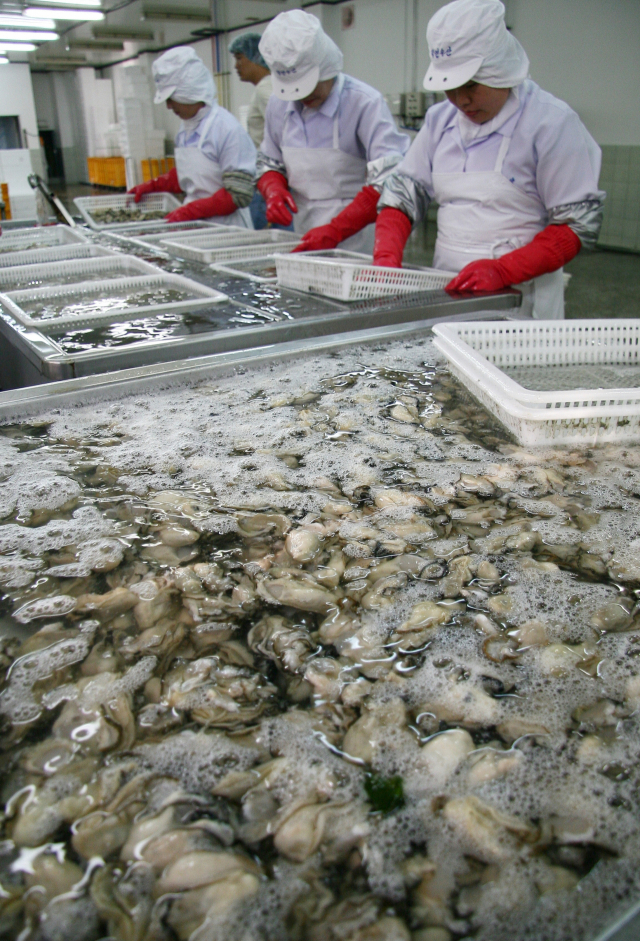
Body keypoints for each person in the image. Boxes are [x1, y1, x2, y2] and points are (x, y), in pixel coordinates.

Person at [373, 0, 605, 319]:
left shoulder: (550, 122)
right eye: (450, 88)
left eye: (470, 85)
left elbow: (575, 225)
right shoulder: (440, 120)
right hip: (449, 291)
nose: (461, 100)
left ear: (500, 70)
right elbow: (403, 194)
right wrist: (386, 258)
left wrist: (504, 269)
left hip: (520, 300)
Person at [255, 9, 410, 254]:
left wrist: (335, 230)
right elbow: (269, 162)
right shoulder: (279, 104)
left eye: (309, 86)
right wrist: (272, 189)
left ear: (327, 66)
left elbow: (390, 179)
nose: (303, 96)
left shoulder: (363, 103)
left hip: (357, 238)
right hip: (303, 231)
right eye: (294, 89)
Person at [128, 46, 256, 227]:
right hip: (196, 227)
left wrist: (189, 211)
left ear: (188, 92)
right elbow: (189, 175)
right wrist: (153, 186)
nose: (169, 106)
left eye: (171, 98)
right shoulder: (185, 129)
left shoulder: (226, 129)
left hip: (227, 228)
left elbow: (238, 194)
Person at [228, 31, 290, 230]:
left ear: (257, 57)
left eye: (240, 58)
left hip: (270, 179)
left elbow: (285, 134)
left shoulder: (265, 89)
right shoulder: (270, 87)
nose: (236, 66)